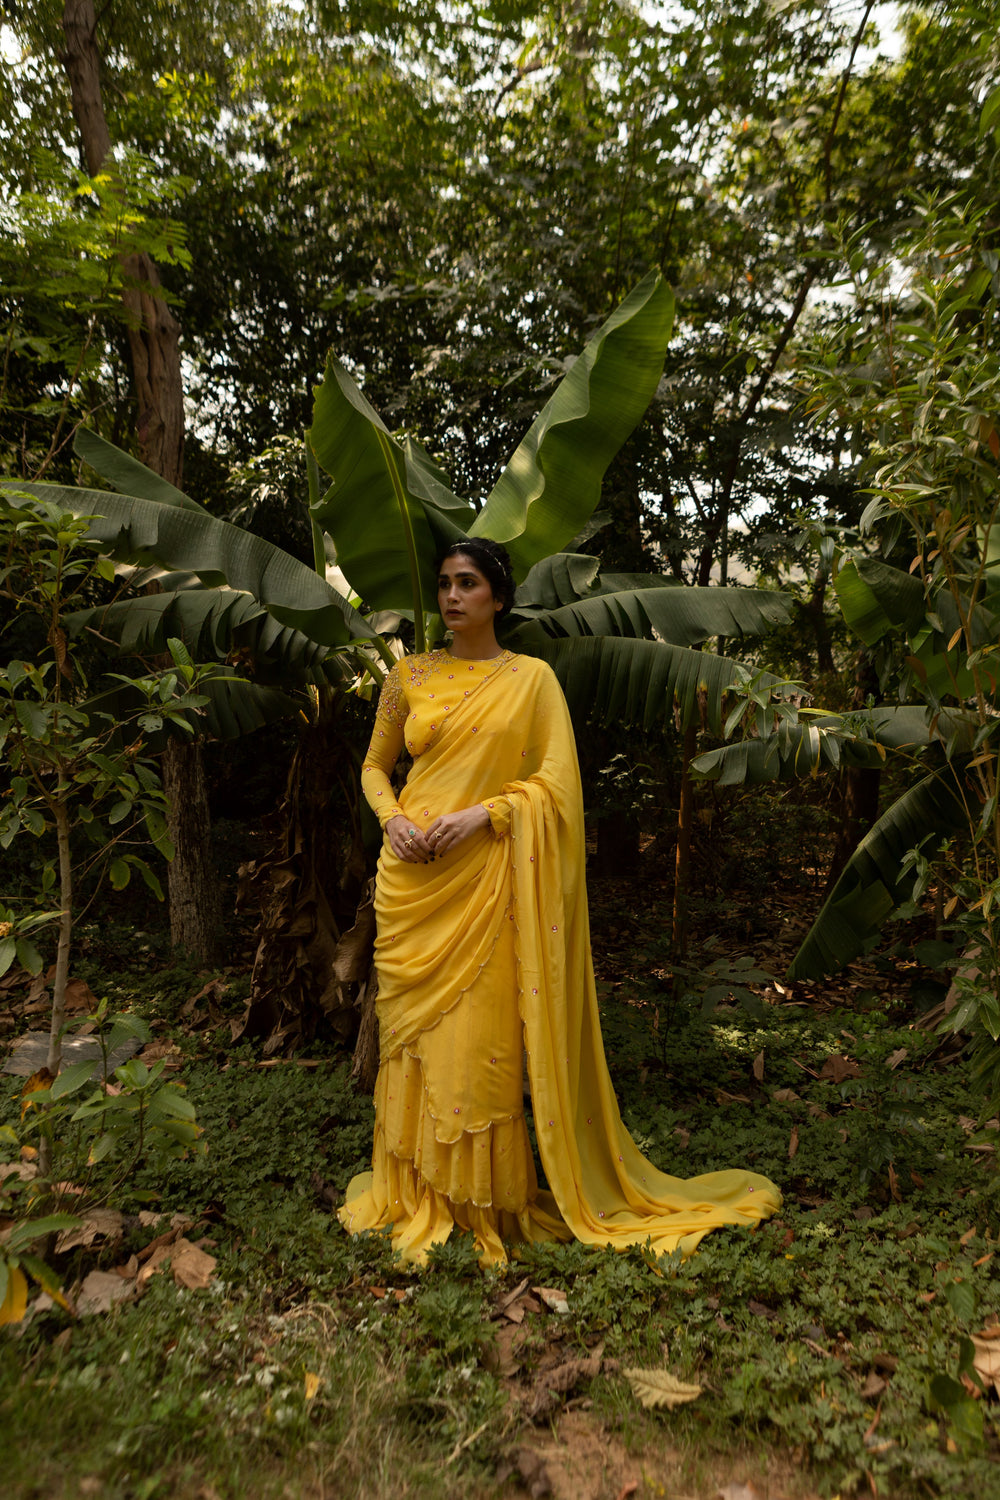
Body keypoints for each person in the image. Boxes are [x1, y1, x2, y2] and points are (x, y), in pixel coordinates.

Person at [338, 538, 780, 1265]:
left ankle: (482, 1203)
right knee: (413, 1046)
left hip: (489, 879)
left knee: (479, 1046)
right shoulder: (407, 675)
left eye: (468, 584)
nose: (452, 596)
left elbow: (556, 785)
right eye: (445, 583)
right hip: (412, 882)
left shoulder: (533, 678)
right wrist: (393, 821)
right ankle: (418, 1193)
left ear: (498, 599)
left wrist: (487, 814)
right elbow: (374, 766)